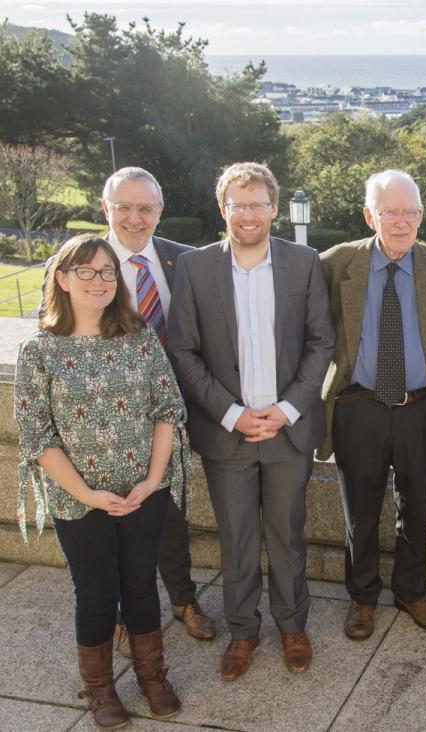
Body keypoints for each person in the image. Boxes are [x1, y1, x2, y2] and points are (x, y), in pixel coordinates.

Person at [167, 162, 335, 681]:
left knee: (287, 535)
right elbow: (184, 351)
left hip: (288, 431)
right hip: (227, 433)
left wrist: (286, 410)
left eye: (258, 204)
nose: (248, 214)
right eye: (238, 204)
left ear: (274, 209)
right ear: (223, 210)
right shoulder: (194, 268)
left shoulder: (304, 263)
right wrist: (234, 415)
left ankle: (291, 626)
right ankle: (242, 632)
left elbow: (321, 343)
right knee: (236, 537)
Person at [16, 234, 189, 728]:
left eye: (108, 272)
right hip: (79, 500)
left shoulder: (138, 339)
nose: (99, 281)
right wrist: (87, 493)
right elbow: (37, 435)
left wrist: (154, 480)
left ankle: (153, 676)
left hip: (143, 491)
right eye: (87, 271)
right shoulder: (39, 352)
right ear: (63, 279)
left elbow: (166, 410)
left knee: (140, 585)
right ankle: (99, 689)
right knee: (95, 594)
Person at [318, 169, 426, 641]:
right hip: (358, 405)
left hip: (421, 407)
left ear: (421, 215)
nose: (402, 221)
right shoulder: (336, 264)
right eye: (390, 211)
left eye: (411, 211)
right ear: (370, 215)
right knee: (359, 510)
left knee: (416, 504)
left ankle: (411, 590)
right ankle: (362, 598)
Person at [100, 167, 215, 652]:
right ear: (104, 208)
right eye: (123, 207)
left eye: (145, 207)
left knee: (171, 513)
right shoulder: (85, 261)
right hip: (109, 422)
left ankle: (184, 600)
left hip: (177, 416)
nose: (134, 217)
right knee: (115, 520)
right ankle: (121, 614)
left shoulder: (184, 260)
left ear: (160, 211)